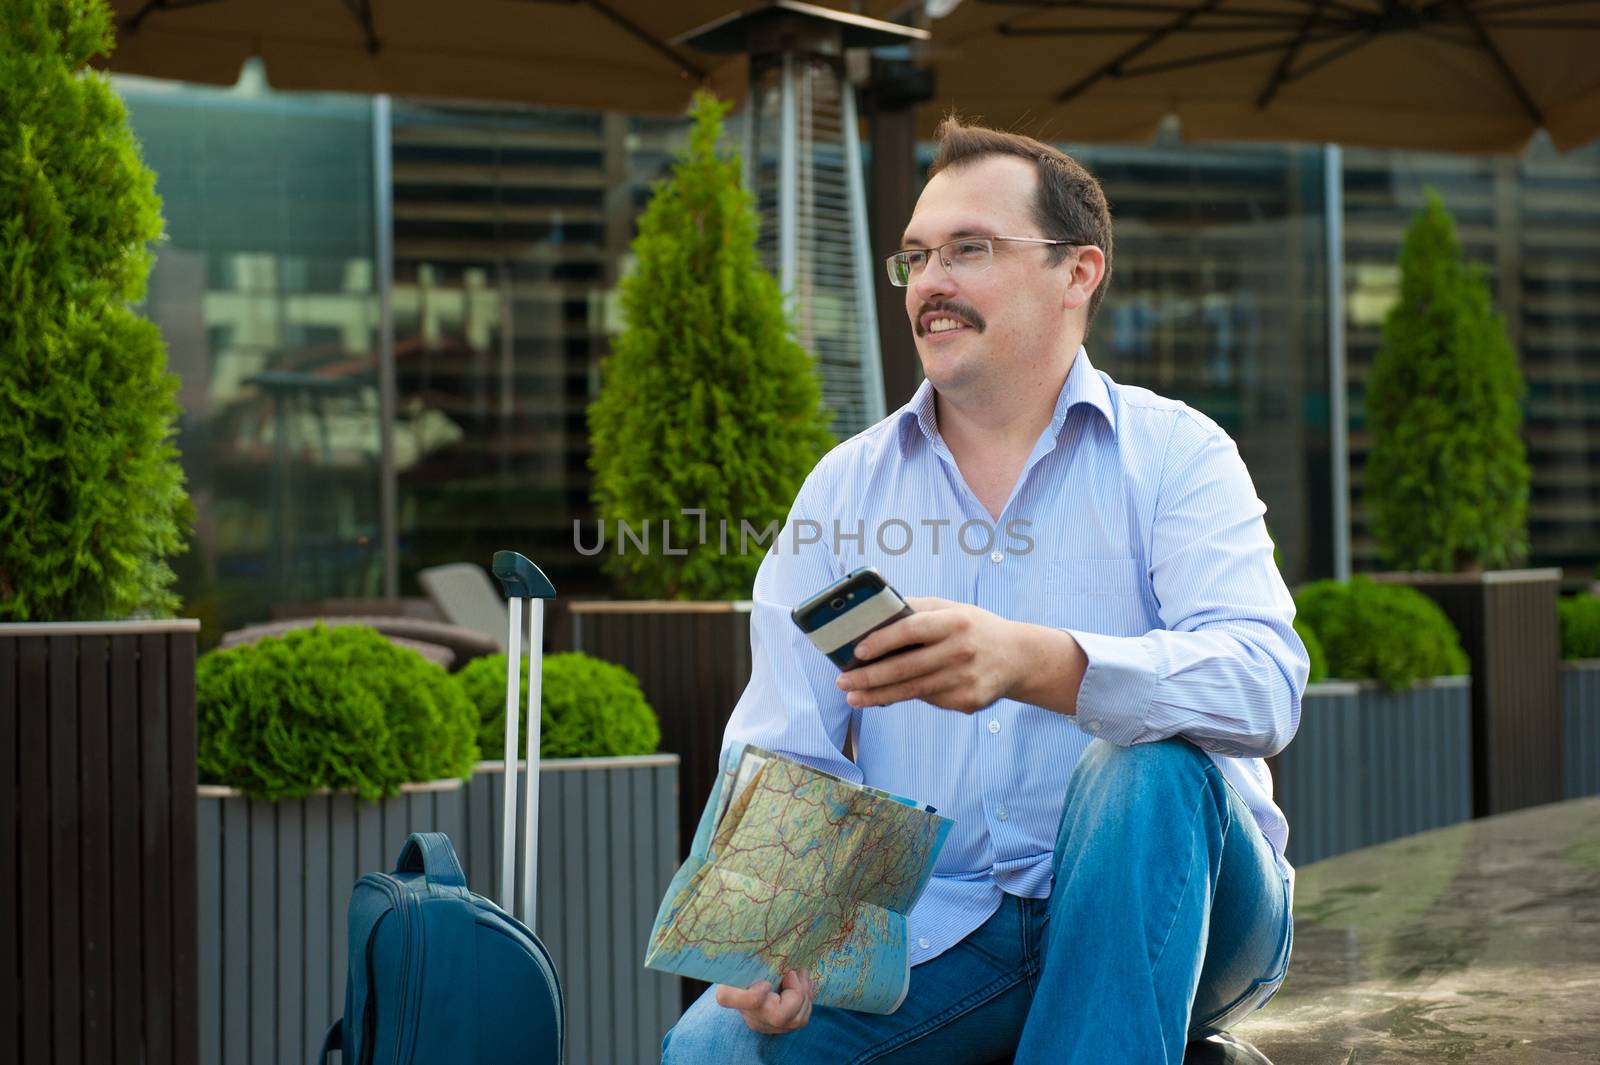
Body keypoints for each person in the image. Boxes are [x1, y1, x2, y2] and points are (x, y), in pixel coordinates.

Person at [659, 117, 1308, 1065]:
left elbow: (1266, 682)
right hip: (948, 923)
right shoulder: (844, 488)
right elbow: (785, 745)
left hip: (1192, 901)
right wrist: (782, 938)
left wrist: (1036, 661)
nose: (930, 282)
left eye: (970, 249)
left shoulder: (1178, 454)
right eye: (916, 257)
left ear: (1077, 272)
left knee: (1147, 766)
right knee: (712, 1051)